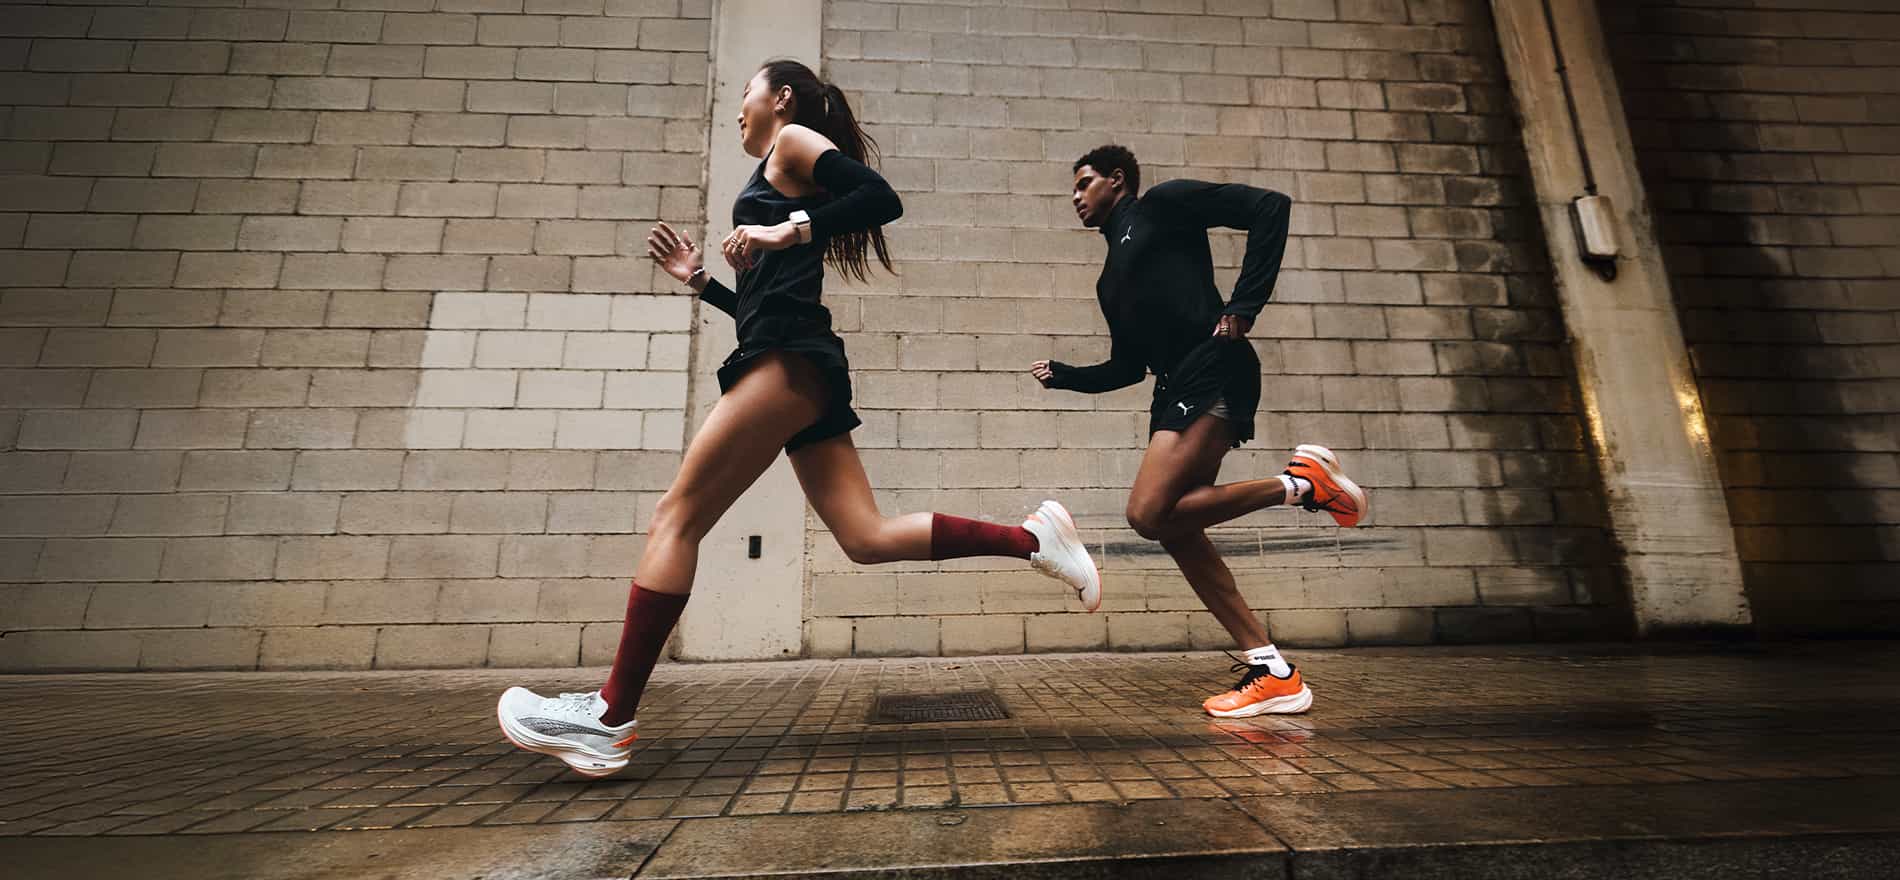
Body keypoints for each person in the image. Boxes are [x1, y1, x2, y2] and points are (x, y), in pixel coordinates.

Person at [496, 60, 1100, 777]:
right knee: (865, 537)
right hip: (793, 360)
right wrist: (703, 283)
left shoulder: (792, 143)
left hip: (787, 364)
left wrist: (791, 229)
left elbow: (882, 199)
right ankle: (1034, 540)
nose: (738, 109)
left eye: (746, 93)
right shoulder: (777, 173)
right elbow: (764, 308)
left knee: (674, 519)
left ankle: (609, 717)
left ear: (780, 98)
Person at [1032, 144, 1367, 719]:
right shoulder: (1110, 281)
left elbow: (1270, 207)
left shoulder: (1163, 204)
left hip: (1214, 364)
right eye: (1074, 189)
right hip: (1173, 386)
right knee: (1176, 527)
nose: (1076, 196)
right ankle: (1273, 672)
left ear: (1117, 180)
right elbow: (1127, 368)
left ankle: (1302, 484)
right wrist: (1066, 377)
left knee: (1146, 514)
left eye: (1084, 183)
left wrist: (1244, 306)